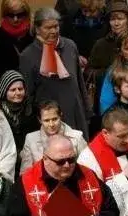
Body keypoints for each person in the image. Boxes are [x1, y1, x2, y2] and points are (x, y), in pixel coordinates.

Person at [19, 7, 90, 139]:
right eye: (48, 28)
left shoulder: (70, 46)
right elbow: (28, 93)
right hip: (51, 120)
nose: (53, 31)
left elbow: (80, 82)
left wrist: (87, 111)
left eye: (56, 26)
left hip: (76, 112)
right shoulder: (28, 56)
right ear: (37, 29)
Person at [19, 101, 88, 175]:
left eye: (54, 119)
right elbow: (25, 173)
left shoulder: (76, 137)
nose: (51, 124)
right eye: (46, 120)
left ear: (60, 116)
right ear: (40, 120)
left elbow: (86, 167)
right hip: (41, 182)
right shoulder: (31, 139)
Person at [0, 0, 36, 83]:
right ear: (4, 14)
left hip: (32, 79)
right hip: (8, 82)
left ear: (26, 13)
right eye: (11, 15)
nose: (15, 19)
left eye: (20, 15)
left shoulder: (33, 28)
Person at [0, 70, 39, 156]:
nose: (18, 93)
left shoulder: (32, 109)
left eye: (20, 89)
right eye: (13, 90)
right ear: (4, 91)